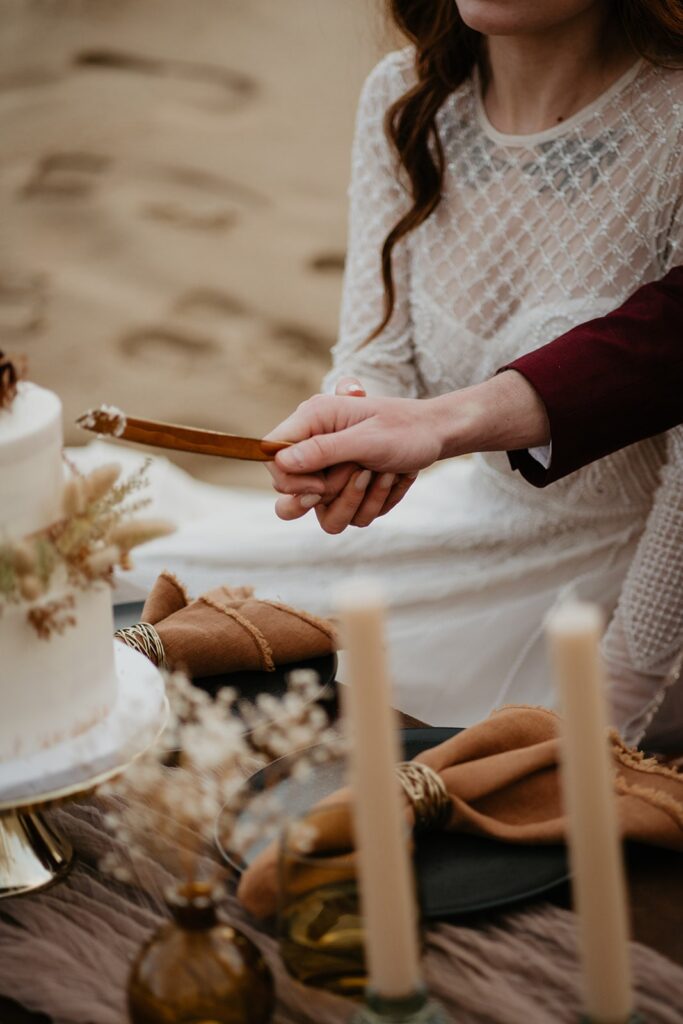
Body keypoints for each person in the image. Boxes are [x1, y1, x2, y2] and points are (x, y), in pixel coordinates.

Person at [107, 1, 682, 746]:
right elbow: (377, 353)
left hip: (650, 585)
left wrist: (617, 695)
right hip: (479, 521)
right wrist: (354, 425)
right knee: (140, 580)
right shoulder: (406, 96)